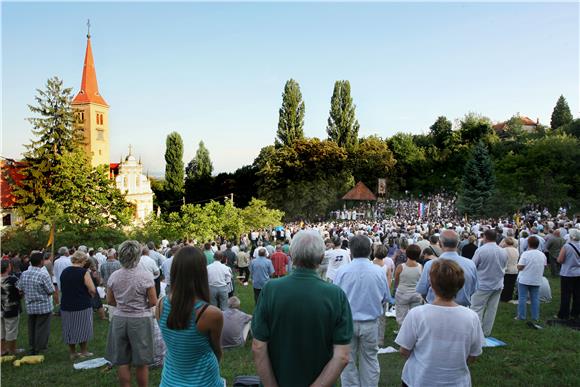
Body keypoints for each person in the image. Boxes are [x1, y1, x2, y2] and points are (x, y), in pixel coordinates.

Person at [252, 230, 353, 387]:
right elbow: (342, 356)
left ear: (291, 254)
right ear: (321, 258)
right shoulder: (336, 295)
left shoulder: (270, 289)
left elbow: (259, 346)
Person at [395, 259, 485, 387]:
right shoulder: (471, 317)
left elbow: (404, 350)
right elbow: (473, 355)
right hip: (456, 381)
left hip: (419, 379)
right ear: (460, 285)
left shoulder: (417, 314)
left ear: (431, 283)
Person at [156, 246, 224, 387]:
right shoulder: (211, 313)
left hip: (169, 379)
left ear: (175, 271)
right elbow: (216, 350)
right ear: (202, 272)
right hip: (204, 380)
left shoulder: (160, 304)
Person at [334, 234, 389, 387]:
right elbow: (385, 297)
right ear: (370, 250)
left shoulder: (343, 271)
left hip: (349, 322)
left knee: (349, 361)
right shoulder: (378, 271)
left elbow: (336, 297)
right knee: (369, 359)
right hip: (369, 322)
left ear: (350, 251)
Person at [106, 240, 157, 387]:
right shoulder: (145, 276)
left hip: (120, 319)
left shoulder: (114, 276)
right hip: (140, 320)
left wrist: (124, 305)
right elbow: (153, 301)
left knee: (123, 361)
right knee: (141, 362)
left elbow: (110, 300)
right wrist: (139, 306)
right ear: (137, 256)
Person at [416, 230, 478, 307]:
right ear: (458, 243)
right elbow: (473, 289)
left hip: (438, 307)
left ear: (440, 244)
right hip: (455, 307)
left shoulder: (430, 264)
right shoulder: (470, 264)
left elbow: (422, 290)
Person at [470, 229, 508, 337]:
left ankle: (476, 333)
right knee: (492, 309)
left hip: (483, 284)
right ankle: (486, 332)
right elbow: (504, 265)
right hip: (497, 283)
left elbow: (473, 266)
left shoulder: (481, 250)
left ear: (485, 237)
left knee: (476, 308)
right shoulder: (502, 251)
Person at [59, 251, 96, 359]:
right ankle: (84, 351)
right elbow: (92, 289)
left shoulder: (65, 271)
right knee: (83, 327)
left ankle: (72, 352)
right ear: (83, 261)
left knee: (69, 328)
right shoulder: (83, 272)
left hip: (66, 303)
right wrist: (92, 295)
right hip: (81, 303)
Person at [17, 252, 54, 355]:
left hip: (30, 305)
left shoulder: (24, 273)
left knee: (32, 327)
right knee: (42, 328)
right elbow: (51, 290)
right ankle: (40, 347)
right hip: (43, 305)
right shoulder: (43, 274)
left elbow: (19, 288)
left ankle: (32, 346)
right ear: (41, 262)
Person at [516, 236, 546, 321]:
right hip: (536, 279)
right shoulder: (542, 255)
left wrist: (518, 265)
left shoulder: (526, 254)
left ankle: (521, 316)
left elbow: (520, 267)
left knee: (522, 298)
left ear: (528, 244)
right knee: (535, 299)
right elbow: (544, 265)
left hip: (524, 279)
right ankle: (535, 317)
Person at [394, 244, 423, 326]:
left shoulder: (400, 267)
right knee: (415, 317)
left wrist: (396, 288)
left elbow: (396, 281)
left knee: (401, 317)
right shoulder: (420, 267)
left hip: (402, 293)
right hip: (416, 294)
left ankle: (402, 333)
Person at [556, 228, 580, 320]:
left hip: (567, 273)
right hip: (578, 273)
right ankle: (575, 313)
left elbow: (560, 260)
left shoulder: (567, 246)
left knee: (566, 295)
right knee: (577, 295)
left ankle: (563, 314)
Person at [1, 260, 23, 356]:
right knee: (11, 330)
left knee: (1, 330)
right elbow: (20, 291)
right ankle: (12, 350)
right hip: (11, 308)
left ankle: (2, 349)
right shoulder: (13, 280)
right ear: (8, 268)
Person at [500, 237, 519, 302]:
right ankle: (509, 297)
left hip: (507, 269)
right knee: (511, 284)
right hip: (515, 269)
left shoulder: (504, 250)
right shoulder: (516, 250)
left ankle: (504, 298)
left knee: (505, 284)